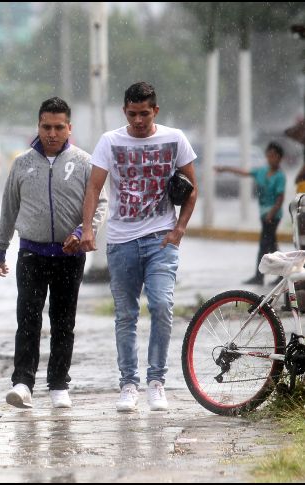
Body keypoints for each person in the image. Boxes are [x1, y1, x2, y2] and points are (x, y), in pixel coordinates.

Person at [79, 81, 198, 413]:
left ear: (155, 110)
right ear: (124, 111)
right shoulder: (110, 141)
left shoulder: (175, 139)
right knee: (126, 315)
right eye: (132, 114)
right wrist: (88, 229)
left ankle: (156, 381)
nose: (139, 120)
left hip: (161, 238)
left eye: (144, 113)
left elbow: (192, 188)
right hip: (121, 241)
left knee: (161, 306)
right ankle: (129, 384)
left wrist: (179, 229)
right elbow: (94, 187)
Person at [0, 96, 108, 409]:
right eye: (46, 127)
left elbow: (100, 204)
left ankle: (58, 385)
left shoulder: (85, 163)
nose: (52, 133)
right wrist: (0, 247)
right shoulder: (22, 164)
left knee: (63, 322)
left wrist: (82, 232)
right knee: (28, 319)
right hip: (31, 254)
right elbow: (9, 209)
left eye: (59, 127)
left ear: (69, 128)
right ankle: (22, 383)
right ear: (38, 126)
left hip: (70, 255)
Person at [215, 142, 286, 286]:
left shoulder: (280, 176)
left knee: (264, 245)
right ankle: (282, 274)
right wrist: (225, 169)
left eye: (274, 156)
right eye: (269, 155)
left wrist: (271, 213)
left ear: (279, 158)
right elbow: (243, 172)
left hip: (273, 216)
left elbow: (280, 198)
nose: (271, 159)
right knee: (272, 246)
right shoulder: (262, 171)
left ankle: (260, 276)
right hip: (264, 214)